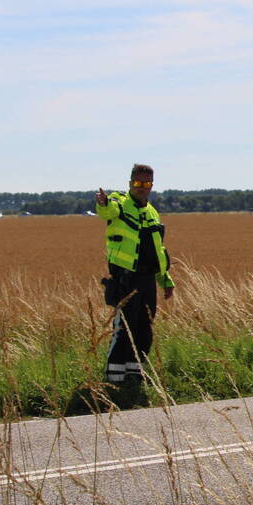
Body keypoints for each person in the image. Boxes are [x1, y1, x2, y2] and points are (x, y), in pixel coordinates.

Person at [95, 164, 174, 384]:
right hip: (126, 277)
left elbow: (157, 250)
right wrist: (103, 203)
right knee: (124, 327)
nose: (142, 187)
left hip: (148, 279)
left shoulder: (152, 212)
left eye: (146, 183)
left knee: (145, 328)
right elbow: (107, 211)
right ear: (130, 183)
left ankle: (136, 375)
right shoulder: (119, 202)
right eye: (138, 183)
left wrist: (165, 279)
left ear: (152, 185)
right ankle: (113, 380)